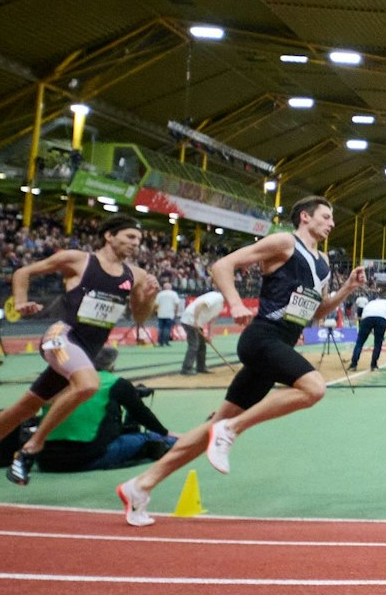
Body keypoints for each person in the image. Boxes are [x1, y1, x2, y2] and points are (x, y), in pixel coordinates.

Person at [115, 196, 363, 526]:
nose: (332, 224)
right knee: (314, 388)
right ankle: (231, 429)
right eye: (326, 216)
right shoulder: (284, 242)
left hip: (279, 344)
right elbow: (222, 266)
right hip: (262, 338)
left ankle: (140, 486)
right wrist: (235, 303)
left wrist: (346, 288)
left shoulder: (323, 264)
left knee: (210, 426)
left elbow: (316, 312)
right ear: (305, 217)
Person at [0, 217, 157, 504]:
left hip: (84, 351)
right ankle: (31, 447)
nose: (135, 243)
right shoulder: (78, 260)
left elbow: (140, 316)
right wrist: (20, 300)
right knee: (89, 385)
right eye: (129, 237)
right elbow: (24, 272)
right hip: (60, 337)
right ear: (109, 236)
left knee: (21, 410)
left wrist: (149, 297)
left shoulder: (135, 274)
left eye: (138, 240)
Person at [36, 345, 176, 473]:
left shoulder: (58, 381)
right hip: (88, 458)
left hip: (46, 460)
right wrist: (166, 433)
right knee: (153, 439)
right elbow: (141, 414)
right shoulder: (115, 382)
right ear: (111, 366)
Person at [179, 288, 222, 375]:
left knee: (202, 345)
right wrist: (195, 320)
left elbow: (212, 320)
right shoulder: (217, 297)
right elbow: (199, 305)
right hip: (190, 321)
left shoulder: (220, 304)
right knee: (194, 345)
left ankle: (201, 367)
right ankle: (186, 368)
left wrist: (210, 336)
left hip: (197, 323)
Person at [153, 282, 181, 348]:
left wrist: (156, 312)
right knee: (167, 328)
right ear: (170, 287)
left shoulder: (160, 294)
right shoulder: (174, 294)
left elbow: (156, 304)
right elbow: (177, 304)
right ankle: (166, 342)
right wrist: (176, 312)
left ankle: (160, 342)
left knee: (161, 328)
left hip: (161, 313)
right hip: (170, 313)